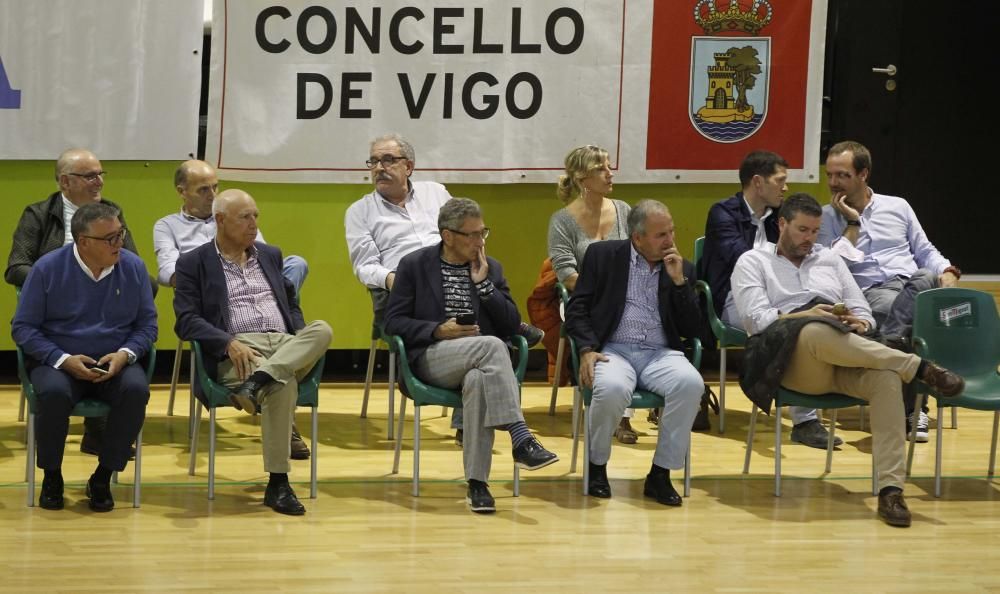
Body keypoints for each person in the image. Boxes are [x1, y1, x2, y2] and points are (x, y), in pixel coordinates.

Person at [731, 193, 964, 527]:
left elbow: (862, 308)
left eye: (814, 231)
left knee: (885, 379)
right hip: (790, 362)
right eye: (801, 230)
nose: (809, 238)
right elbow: (755, 321)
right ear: (781, 224)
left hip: (844, 357)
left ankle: (891, 490)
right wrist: (803, 314)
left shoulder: (829, 259)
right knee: (812, 330)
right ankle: (918, 367)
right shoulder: (753, 261)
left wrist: (861, 322)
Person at [345, 133, 542, 445]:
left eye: (388, 160)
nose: (378, 168)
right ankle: (516, 428)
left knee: (481, 299)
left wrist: (472, 254)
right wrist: (396, 278)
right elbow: (364, 266)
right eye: (374, 161)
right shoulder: (360, 211)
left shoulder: (435, 192)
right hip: (405, 288)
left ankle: (471, 426)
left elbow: (466, 228)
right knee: (493, 340)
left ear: (408, 166)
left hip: (455, 271)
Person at [384, 197, 558, 514]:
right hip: (432, 358)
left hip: (480, 362)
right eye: (472, 235)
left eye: (483, 233)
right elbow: (393, 322)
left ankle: (478, 484)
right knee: (492, 345)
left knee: (479, 379)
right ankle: (521, 437)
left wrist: (485, 286)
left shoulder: (491, 268)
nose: (480, 242)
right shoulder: (414, 265)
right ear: (448, 236)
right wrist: (438, 329)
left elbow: (510, 322)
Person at [173, 189, 332, 515]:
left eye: (256, 216)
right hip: (240, 350)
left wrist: (299, 335)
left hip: (285, 343)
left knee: (322, 329)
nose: (254, 224)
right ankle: (278, 482)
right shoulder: (194, 263)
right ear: (220, 220)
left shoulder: (270, 254)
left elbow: (291, 305)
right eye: (245, 217)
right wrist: (227, 343)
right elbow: (186, 321)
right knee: (282, 382)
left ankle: (258, 380)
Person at [153, 159, 311, 459]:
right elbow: (166, 272)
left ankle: (273, 357)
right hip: (215, 306)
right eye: (203, 189)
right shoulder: (168, 226)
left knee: (295, 275)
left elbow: (259, 256)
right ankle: (283, 428)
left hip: (253, 293)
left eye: (215, 187)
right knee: (284, 376)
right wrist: (203, 275)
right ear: (182, 191)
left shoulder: (246, 226)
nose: (211, 194)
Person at [5, 148, 152, 458]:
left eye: (100, 174)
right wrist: (63, 279)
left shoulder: (112, 212)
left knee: (144, 289)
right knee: (57, 385)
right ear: (65, 182)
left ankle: (103, 441)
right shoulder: (39, 214)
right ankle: (73, 450)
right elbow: (16, 266)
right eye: (89, 176)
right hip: (55, 314)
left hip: (106, 310)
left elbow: (133, 263)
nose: (98, 182)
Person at [12, 202, 156, 512]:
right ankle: (52, 475)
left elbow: (147, 325)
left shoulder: (133, 267)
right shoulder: (47, 268)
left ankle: (103, 476)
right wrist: (62, 359)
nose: (120, 243)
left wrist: (125, 354)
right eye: (111, 239)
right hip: (60, 360)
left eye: (121, 234)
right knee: (52, 393)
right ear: (83, 242)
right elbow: (23, 328)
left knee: (136, 391)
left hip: (113, 360)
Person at [564, 199, 704, 506]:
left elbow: (695, 329)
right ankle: (597, 466)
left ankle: (660, 473)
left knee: (692, 385)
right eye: (660, 235)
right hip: (613, 348)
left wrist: (680, 284)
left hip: (660, 352)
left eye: (671, 232)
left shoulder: (682, 268)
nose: (670, 241)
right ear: (637, 238)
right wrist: (586, 349)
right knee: (612, 388)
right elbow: (578, 309)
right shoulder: (603, 257)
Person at [818, 140, 960, 442]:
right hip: (871, 293)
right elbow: (830, 267)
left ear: (863, 174)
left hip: (912, 284)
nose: (833, 183)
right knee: (909, 316)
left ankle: (891, 346)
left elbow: (925, 250)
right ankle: (914, 410)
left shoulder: (898, 206)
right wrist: (852, 224)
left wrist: (947, 271)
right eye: (830, 175)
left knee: (924, 278)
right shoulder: (826, 218)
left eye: (842, 175)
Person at [700, 150, 836, 449]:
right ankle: (804, 418)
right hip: (734, 297)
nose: (785, 188)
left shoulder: (783, 214)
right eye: (780, 180)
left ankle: (804, 417)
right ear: (758, 182)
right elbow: (743, 261)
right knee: (795, 322)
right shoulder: (723, 213)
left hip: (783, 296)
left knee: (805, 319)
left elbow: (805, 252)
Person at [546, 145, 641, 443]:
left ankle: (627, 410)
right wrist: (605, 293)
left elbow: (641, 256)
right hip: (581, 299)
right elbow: (566, 274)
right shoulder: (562, 221)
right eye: (601, 168)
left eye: (609, 166)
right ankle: (614, 411)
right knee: (608, 321)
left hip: (627, 294)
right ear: (582, 178)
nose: (610, 173)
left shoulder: (625, 210)